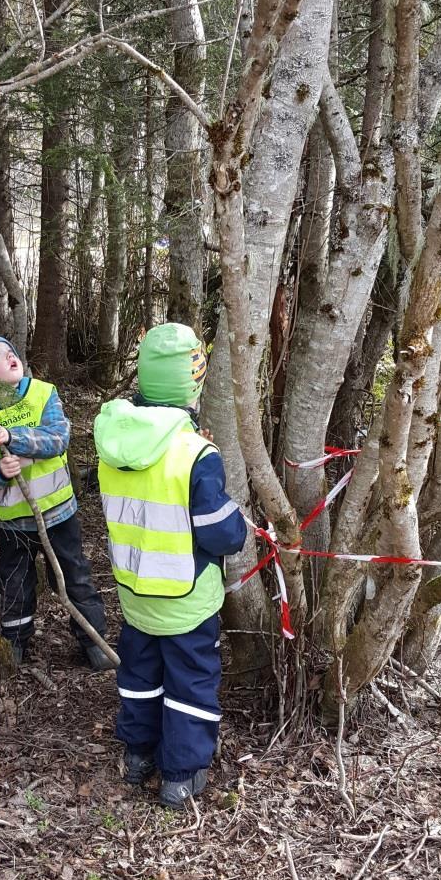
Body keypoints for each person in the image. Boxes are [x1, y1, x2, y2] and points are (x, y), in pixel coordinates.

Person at [93, 322, 247, 809]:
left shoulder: (112, 442)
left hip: (135, 591)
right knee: (191, 681)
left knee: (139, 675)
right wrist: (242, 526)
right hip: (187, 597)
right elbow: (221, 531)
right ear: (193, 384)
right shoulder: (194, 453)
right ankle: (181, 774)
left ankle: (138, 756)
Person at [0, 335, 111, 670]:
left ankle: (94, 641)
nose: (9, 354)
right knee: (15, 582)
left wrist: (15, 439)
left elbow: (58, 438)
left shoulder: (42, 393)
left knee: (75, 575)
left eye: (8, 349)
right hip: (13, 522)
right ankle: (13, 645)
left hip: (59, 513)